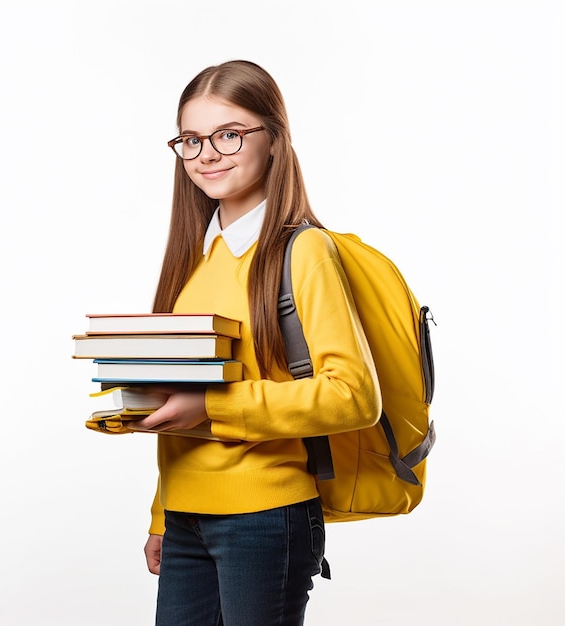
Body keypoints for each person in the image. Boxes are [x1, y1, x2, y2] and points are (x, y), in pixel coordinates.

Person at [128, 60, 382, 626]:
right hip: (186, 513)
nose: (207, 154)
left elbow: (354, 397)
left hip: (265, 515)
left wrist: (214, 406)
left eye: (229, 134)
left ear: (275, 140)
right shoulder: (193, 261)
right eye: (191, 140)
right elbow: (180, 403)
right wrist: (162, 515)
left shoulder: (304, 252)